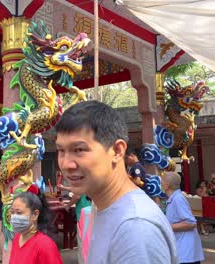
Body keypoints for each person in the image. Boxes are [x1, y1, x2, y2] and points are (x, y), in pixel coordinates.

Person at [55, 101, 178, 264]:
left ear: (117, 151)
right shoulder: (107, 211)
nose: (66, 164)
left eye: (79, 150)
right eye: (61, 151)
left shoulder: (134, 228)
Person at [9, 187, 63, 264]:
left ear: (35, 214)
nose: (14, 217)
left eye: (19, 213)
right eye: (12, 212)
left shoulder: (45, 245)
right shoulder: (17, 238)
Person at [162, 172, 204, 264]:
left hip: (186, 253)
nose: (160, 184)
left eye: (162, 182)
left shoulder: (178, 199)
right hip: (183, 250)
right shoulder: (174, 198)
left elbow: (191, 223)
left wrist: (166, 226)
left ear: (167, 185)